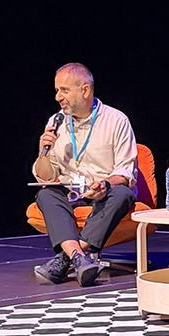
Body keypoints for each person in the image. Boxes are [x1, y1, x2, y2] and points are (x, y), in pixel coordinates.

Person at [32, 63, 138, 287]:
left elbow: (126, 171)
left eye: (64, 90)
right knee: (45, 194)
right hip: (70, 192)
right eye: (57, 90)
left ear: (85, 90)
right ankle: (80, 258)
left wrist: (104, 185)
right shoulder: (56, 122)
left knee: (123, 194)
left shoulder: (116, 120)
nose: (58, 97)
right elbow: (46, 177)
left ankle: (66, 257)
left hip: (103, 193)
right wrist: (43, 153)